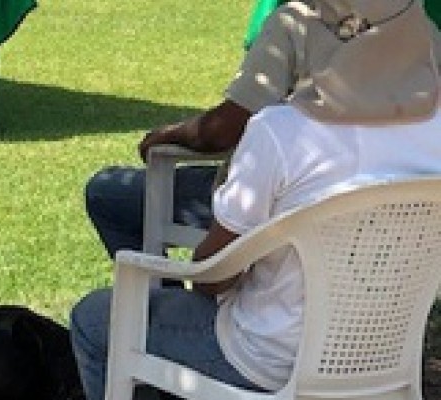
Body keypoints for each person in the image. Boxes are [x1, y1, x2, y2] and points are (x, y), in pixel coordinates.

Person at [71, 0, 441, 398]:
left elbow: (213, 276)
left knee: (94, 318)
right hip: (385, 358)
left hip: (266, 361)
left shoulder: (281, 133)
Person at [82, 0, 441, 259]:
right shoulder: (423, 31)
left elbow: (224, 129)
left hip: (289, 220)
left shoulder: (282, 123)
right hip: (397, 232)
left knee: (109, 195)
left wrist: (171, 134)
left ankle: (159, 313)